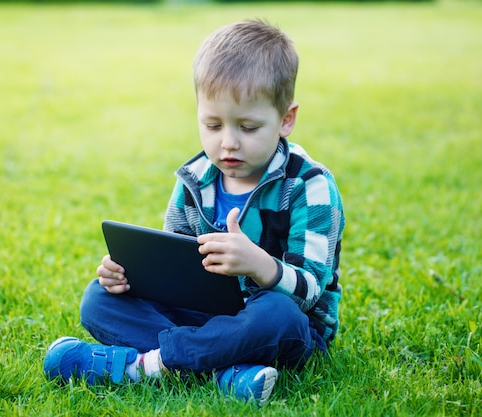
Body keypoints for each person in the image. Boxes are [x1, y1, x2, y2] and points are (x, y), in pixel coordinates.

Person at [43, 19, 345, 406]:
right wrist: (129, 277)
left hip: (287, 327)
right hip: (206, 315)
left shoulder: (310, 186)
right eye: (213, 125)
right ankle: (227, 372)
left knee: (276, 313)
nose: (228, 142)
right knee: (98, 300)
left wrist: (258, 264)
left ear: (286, 119)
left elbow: (309, 293)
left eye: (248, 127)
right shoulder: (195, 178)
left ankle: (145, 366)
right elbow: (176, 273)